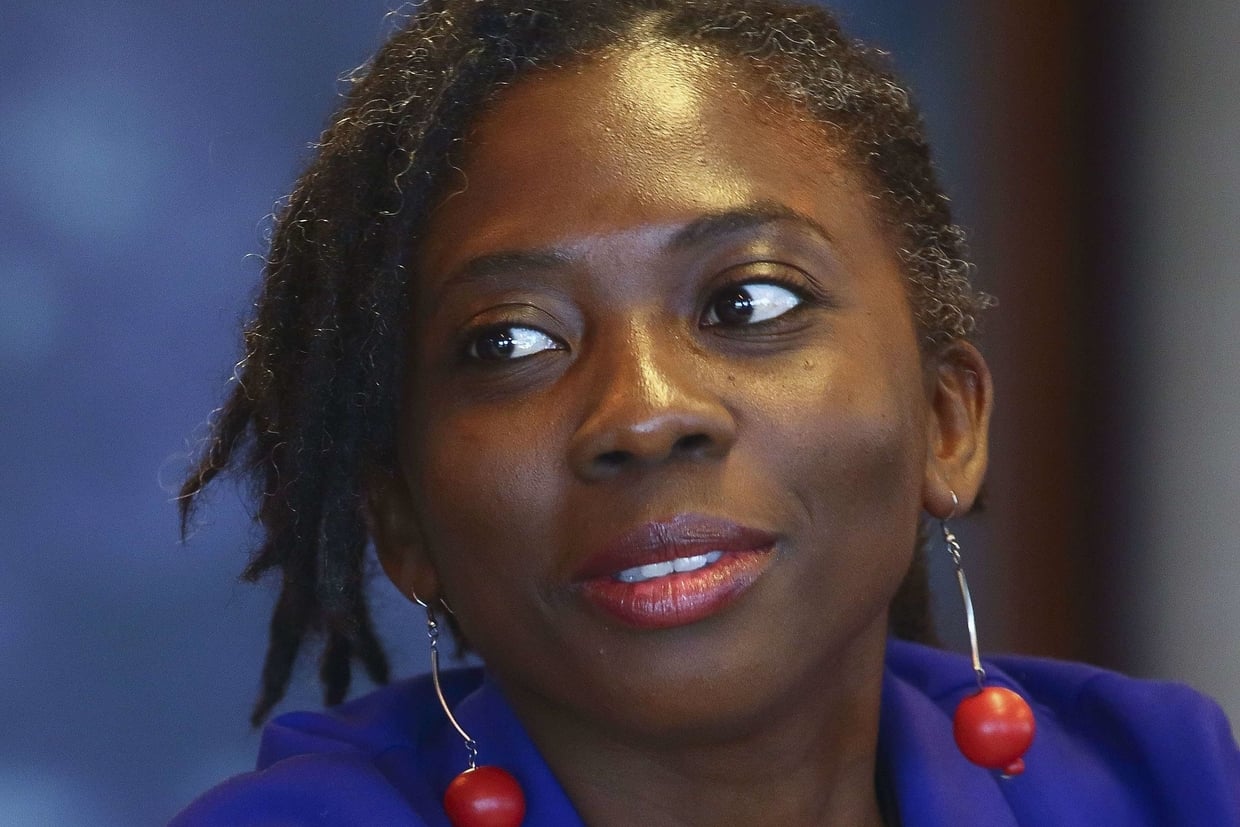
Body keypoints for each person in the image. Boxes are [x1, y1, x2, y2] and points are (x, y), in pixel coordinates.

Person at [172, 1, 1240, 824]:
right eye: (510, 342)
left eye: (750, 302)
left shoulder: (1165, 784)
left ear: (946, 420)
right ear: (402, 519)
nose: (646, 413)